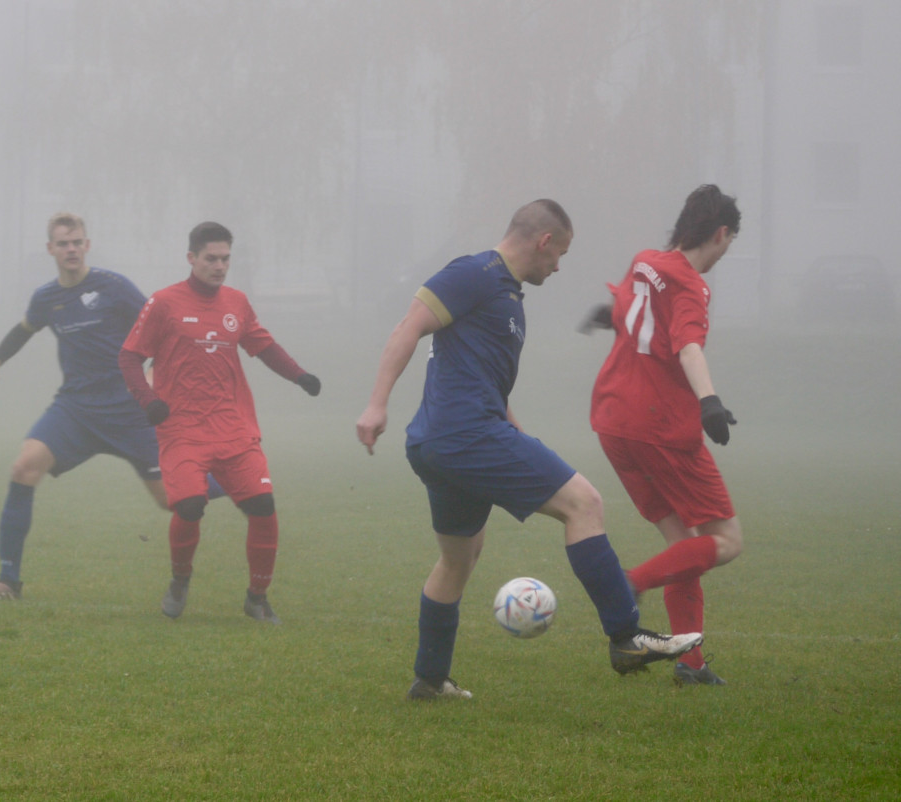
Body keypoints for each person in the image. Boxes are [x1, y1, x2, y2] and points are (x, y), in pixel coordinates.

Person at [356, 199, 702, 701]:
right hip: (464, 434)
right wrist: (375, 405)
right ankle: (627, 637)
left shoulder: (507, 297)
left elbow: (489, 387)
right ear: (543, 242)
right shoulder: (475, 272)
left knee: (459, 558)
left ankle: (429, 679)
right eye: (559, 253)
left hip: (443, 441)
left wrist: (519, 434)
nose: (558, 266)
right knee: (584, 504)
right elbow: (407, 326)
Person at [0, 212, 223, 602]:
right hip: (77, 409)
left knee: (171, 500)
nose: (71, 249)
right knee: (24, 466)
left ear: (87, 245)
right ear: (51, 249)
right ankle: (7, 582)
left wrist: (156, 373)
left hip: (129, 410)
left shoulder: (113, 287)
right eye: (63, 243)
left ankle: (236, 481)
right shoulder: (46, 298)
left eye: (77, 242)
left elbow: (162, 326)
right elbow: (23, 330)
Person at [582, 184, 744, 686]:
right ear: (720, 234)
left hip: (613, 422)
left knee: (683, 546)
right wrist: (709, 403)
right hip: (659, 428)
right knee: (726, 540)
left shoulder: (645, 261)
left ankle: (690, 664)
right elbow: (688, 348)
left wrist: (610, 318)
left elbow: (637, 315)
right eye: (730, 242)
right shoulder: (692, 285)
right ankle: (629, 586)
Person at [119, 221, 321, 623]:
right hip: (182, 429)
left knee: (264, 508)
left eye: (225, 258)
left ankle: (257, 599)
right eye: (211, 258)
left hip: (232, 426)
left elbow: (263, 347)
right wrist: (149, 400)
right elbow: (128, 357)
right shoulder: (163, 303)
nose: (219, 266)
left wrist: (299, 375)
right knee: (191, 506)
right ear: (191, 258)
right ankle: (180, 580)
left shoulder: (237, 303)